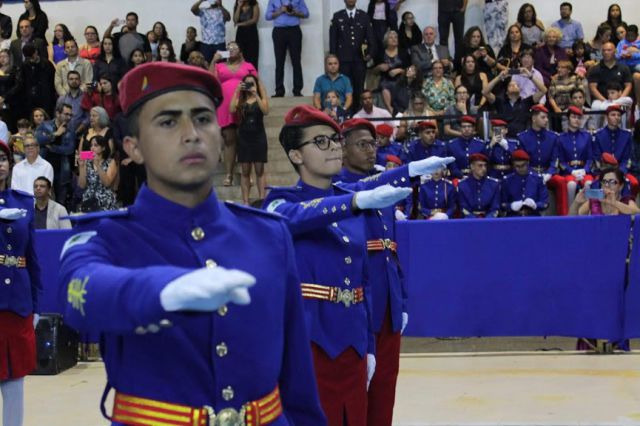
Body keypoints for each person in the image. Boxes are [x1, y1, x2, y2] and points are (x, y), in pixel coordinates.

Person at [57, 61, 327, 425]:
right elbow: (79, 293)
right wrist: (160, 293)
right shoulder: (108, 236)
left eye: (203, 118)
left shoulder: (268, 235)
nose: (191, 134)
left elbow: (298, 384)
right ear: (133, 148)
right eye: (168, 122)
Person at [263, 104, 449, 426]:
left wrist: (412, 169)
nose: (334, 147)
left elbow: (362, 280)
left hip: (351, 343)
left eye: (335, 140)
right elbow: (299, 215)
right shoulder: (280, 202)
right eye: (321, 142)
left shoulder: (348, 195)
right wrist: (352, 202)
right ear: (296, 155)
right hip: (310, 341)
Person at [333, 118, 408, 426]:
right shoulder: (338, 190)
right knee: (355, 395)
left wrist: (402, 297)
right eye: (361, 144)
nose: (370, 151)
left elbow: (392, 249)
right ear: (343, 148)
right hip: (359, 303)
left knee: (385, 390)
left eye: (373, 144)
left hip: (388, 303)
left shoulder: (384, 191)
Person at [0, 141, 41, 426]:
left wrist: (37, 304)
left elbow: (33, 258)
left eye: (3, 158)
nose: (0, 163)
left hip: (17, 302)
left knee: (15, 380)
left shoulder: (24, 202)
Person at [210, 41, 257, 187]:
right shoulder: (219, 66)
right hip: (225, 107)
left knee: (245, 140)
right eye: (228, 48)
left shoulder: (248, 66)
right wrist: (213, 60)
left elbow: (256, 83)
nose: (231, 50)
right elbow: (210, 80)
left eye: (234, 48)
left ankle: (247, 175)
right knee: (229, 140)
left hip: (244, 105)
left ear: (240, 51)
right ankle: (229, 174)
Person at [517, 105, 567, 215]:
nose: (546, 120)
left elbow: (555, 159)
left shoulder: (553, 137)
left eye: (547, 117)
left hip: (547, 172)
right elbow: (523, 162)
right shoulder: (523, 137)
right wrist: (534, 174)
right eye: (543, 117)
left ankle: (564, 215)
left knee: (561, 181)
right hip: (530, 173)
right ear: (534, 119)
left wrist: (549, 173)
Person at [230, 74, 269, 205]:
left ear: (256, 85)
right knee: (245, 171)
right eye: (247, 83)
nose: (249, 86)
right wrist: (236, 91)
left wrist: (256, 94)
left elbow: (266, 111)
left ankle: (262, 199)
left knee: (260, 170)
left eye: (252, 83)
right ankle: (246, 201)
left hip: (259, 137)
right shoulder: (240, 100)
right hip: (244, 138)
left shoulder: (260, 98)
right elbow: (231, 109)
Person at [330, 0, 375, 112]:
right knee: (345, 88)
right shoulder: (337, 16)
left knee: (359, 88)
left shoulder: (364, 16)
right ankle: (346, 114)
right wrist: (334, 60)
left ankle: (358, 114)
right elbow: (333, 40)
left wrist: (369, 54)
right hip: (343, 60)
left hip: (360, 60)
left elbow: (371, 39)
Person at [483, 68, 547, 138]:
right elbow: (485, 92)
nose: (514, 86)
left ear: (520, 90)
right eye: (510, 85)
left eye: (516, 85)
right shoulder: (500, 102)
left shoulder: (526, 102)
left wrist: (530, 76)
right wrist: (499, 77)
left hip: (521, 139)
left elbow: (543, 90)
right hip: (502, 138)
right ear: (506, 92)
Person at [592, 104, 639, 197]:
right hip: (603, 171)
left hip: (621, 171)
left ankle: (628, 209)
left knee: (634, 183)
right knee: (594, 185)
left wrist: (620, 172)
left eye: (618, 115)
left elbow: (627, 158)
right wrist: (607, 173)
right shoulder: (598, 135)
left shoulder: (626, 135)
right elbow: (596, 157)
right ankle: (596, 210)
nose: (616, 117)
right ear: (607, 117)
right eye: (613, 115)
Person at [34, 103, 75, 208]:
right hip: (44, 169)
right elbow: (38, 140)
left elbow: (69, 150)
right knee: (42, 203)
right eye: (66, 114)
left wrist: (52, 147)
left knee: (61, 205)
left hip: (62, 170)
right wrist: (56, 134)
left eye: (70, 115)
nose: (69, 117)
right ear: (57, 113)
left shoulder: (70, 130)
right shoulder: (45, 125)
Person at [557, 106, 594, 209]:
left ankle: (588, 212)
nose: (576, 120)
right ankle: (571, 213)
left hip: (584, 170)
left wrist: (585, 170)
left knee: (589, 183)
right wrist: (571, 171)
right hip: (569, 172)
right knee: (571, 185)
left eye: (579, 118)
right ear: (568, 119)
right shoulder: (561, 138)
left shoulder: (586, 136)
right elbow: (560, 160)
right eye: (573, 117)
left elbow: (590, 158)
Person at [13, 44, 56, 120]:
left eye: (32, 56)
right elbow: (22, 83)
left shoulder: (46, 64)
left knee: (46, 118)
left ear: (36, 52)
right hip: (31, 99)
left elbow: (52, 81)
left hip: (45, 97)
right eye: (29, 58)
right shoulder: (25, 65)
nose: (32, 59)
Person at [501, 149, 549, 216]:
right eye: (517, 166)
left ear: (528, 163)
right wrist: (511, 206)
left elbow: (545, 203)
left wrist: (535, 205)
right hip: (513, 217)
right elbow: (502, 203)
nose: (520, 168)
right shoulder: (507, 180)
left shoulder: (538, 179)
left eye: (523, 165)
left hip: (533, 217)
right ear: (513, 166)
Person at [78, 135, 117, 212]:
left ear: (103, 148)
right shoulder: (87, 162)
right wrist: (82, 167)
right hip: (89, 199)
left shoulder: (110, 162)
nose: (92, 148)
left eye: (96, 145)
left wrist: (98, 165)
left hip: (105, 199)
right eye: (91, 145)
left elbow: (107, 183)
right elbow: (82, 185)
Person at [587, 42, 632, 109]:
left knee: (628, 100)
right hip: (601, 100)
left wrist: (618, 100)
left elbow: (628, 86)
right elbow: (593, 88)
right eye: (604, 50)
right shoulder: (595, 69)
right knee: (595, 106)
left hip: (620, 99)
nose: (606, 52)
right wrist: (606, 102)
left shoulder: (624, 68)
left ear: (615, 51)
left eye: (609, 50)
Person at [456, 153, 500, 218]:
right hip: (469, 221)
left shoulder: (494, 184)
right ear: (472, 167)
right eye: (480, 165)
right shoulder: (462, 185)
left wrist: (488, 220)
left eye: (485, 165)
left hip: (489, 221)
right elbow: (463, 208)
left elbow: (495, 207)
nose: (484, 168)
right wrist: (475, 221)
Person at [234, 0, 260, 70]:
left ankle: (252, 79)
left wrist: (241, 24)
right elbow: (235, 20)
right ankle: (240, 78)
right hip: (240, 34)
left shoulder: (254, 4)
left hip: (251, 34)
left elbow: (254, 20)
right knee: (239, 58)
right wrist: (239, 6)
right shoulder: (238, 5)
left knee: (252, 59)